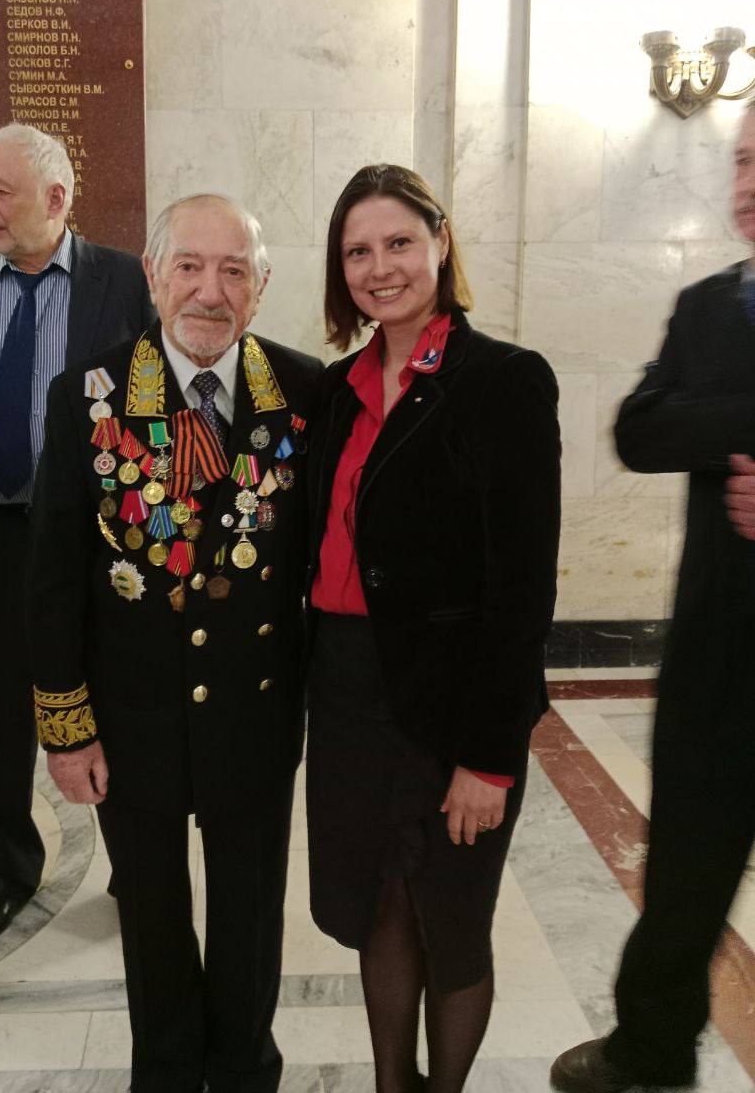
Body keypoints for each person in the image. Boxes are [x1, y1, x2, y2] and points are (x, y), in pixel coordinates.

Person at [27, 194, 322, 1093]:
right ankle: (163, 1071)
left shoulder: (306, 392)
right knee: (152, 915)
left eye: (234, 270)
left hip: (256, 711)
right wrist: (67, 728)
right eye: (189, 266)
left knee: (250, 917)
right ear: (153, 277)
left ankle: (243, 1069)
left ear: (261, 287)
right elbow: (52, 578)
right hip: (133, 718)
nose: (210, 291)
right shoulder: (89, 396)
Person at [305, 165, 561, 1093]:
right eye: (358, 252)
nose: (380, 268)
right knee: (379, 906)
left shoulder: (503, 382)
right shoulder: (335, 390)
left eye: (399, 243)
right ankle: (391, 1084)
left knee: (451, 922)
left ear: (441, 243)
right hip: (348, 694)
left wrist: (488, 757)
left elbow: (522, 591)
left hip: (454, 704)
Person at [550, 102, 755, 1092]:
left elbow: (677, 419)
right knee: (683, 864)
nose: (748, 184)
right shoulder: (709, 305)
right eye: (744, 160)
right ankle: (652, 1049)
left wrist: (707, 420)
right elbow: (639, 429)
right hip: (717, 643)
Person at [0, 123, 152, 948]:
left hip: (94, 543)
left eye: (0, 189)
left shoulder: (123, 281)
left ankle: (136, 865)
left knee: (113, 704)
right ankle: (8, 872)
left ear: (55, 198)